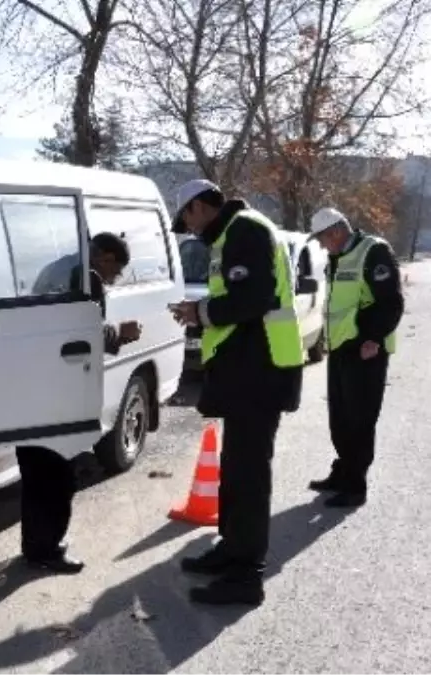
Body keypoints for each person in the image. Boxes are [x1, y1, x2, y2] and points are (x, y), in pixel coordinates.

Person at [168, 179, 304, 606]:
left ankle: (246, 576)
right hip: (247, 371)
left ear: (199, 207)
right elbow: (239, 298)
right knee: (237, 467)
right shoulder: (230, 236)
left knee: (248, 474)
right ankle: (231, 549)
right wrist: (202, 312)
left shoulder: (245, 230)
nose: (188, 229)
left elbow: (253, 298)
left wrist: (200, 311)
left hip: (260, 371)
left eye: (186, 219)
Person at [18, 231, 142, 574]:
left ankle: (34, 546)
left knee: (35, 473)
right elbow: (85, 334)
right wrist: (121, 333)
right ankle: (48, 550)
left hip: (32, 386)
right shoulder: (86, 279)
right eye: (115, 272)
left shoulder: (55, 269)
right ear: (103, 258)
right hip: (59, 389)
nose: (112, 280)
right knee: (58, 476)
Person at [306, 207, 404, 508]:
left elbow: (391, 302)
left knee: (360, 419)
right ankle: (343, 471)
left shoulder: (373, 252)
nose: (322, 245)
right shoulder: (337, 259)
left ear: (336, 231)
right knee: (340, 417)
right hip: (340, 348)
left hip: (365, 350)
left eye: (323, 239)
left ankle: (356, 484)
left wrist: (373, 337)